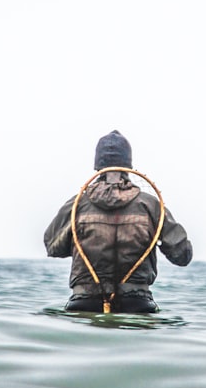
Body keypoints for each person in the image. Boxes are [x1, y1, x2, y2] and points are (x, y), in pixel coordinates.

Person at [44, 130, 193, 313]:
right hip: (137, 304)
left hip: (84, 303)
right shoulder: (150, 205)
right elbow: (183, 256)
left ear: (97, 166)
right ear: (128, 165)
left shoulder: (77, 204)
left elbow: (52, 247)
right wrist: (157, 239)